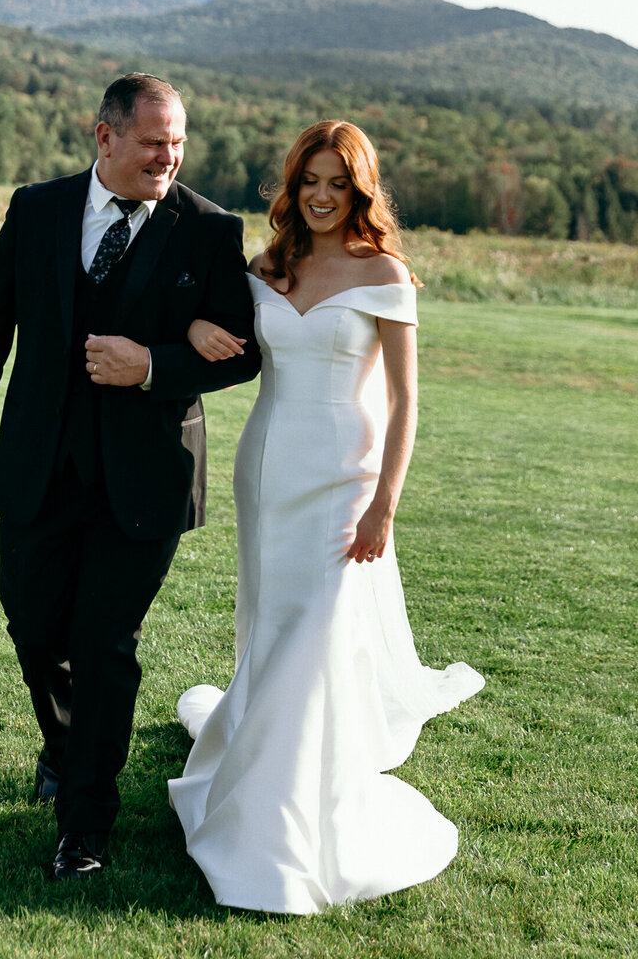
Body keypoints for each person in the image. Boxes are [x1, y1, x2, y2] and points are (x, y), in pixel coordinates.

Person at [0, 73, 260, 880]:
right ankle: (64, 746)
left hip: (147, 476)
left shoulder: (210, 229)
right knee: (32, 623)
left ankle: (86, 826)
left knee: (104, 643)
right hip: (39, 464)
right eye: (154, 140)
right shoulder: (37, 208)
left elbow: (244, 351)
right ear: (104, 136)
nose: (169, 155)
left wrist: (152, 363)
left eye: (179, 141)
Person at [168, 120, 485, 913]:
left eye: (337, 183)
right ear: (292, 183)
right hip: (268, 472)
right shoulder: (273, 264)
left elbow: (408, 401)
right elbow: (231, 343)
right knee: (273, 627)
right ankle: (256, 769)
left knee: (318, 633)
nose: (319, 195)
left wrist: (385, 503)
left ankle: (290, 818)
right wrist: (191, 327)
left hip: (347, 481)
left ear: (360, 190)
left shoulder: (386, 272)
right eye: (309, 179)